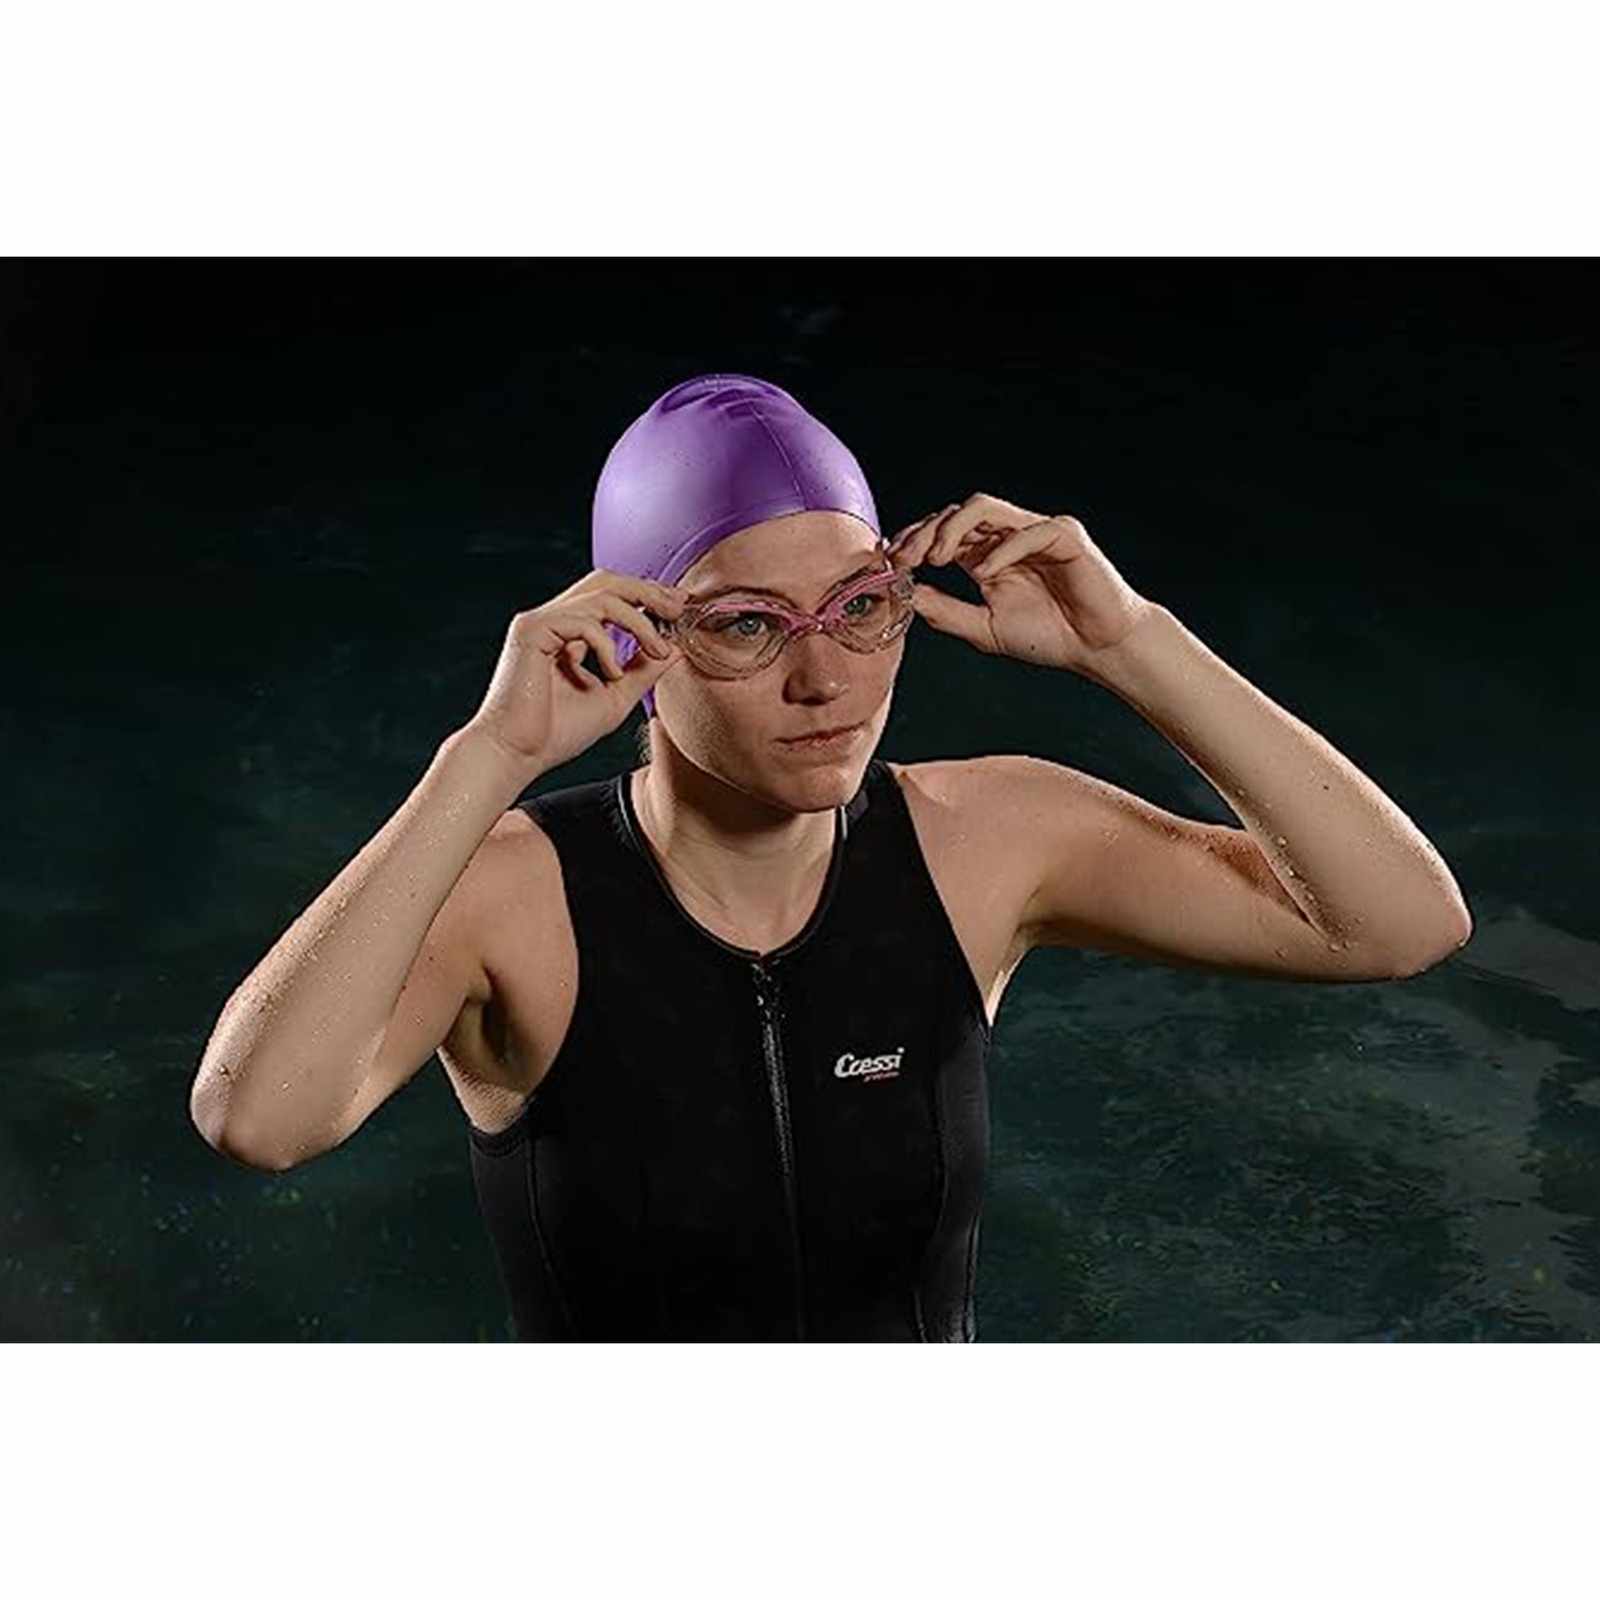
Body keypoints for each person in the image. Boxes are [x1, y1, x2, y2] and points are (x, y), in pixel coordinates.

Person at [192, 372, 1473, 1342]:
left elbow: (1398, 925)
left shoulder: (988, 841)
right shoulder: (514, 893)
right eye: (748, 626)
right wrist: (487, 756)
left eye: (862, 607)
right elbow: (257, 1119)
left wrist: (1128, 644)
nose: (827, 680)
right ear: (634, 639)